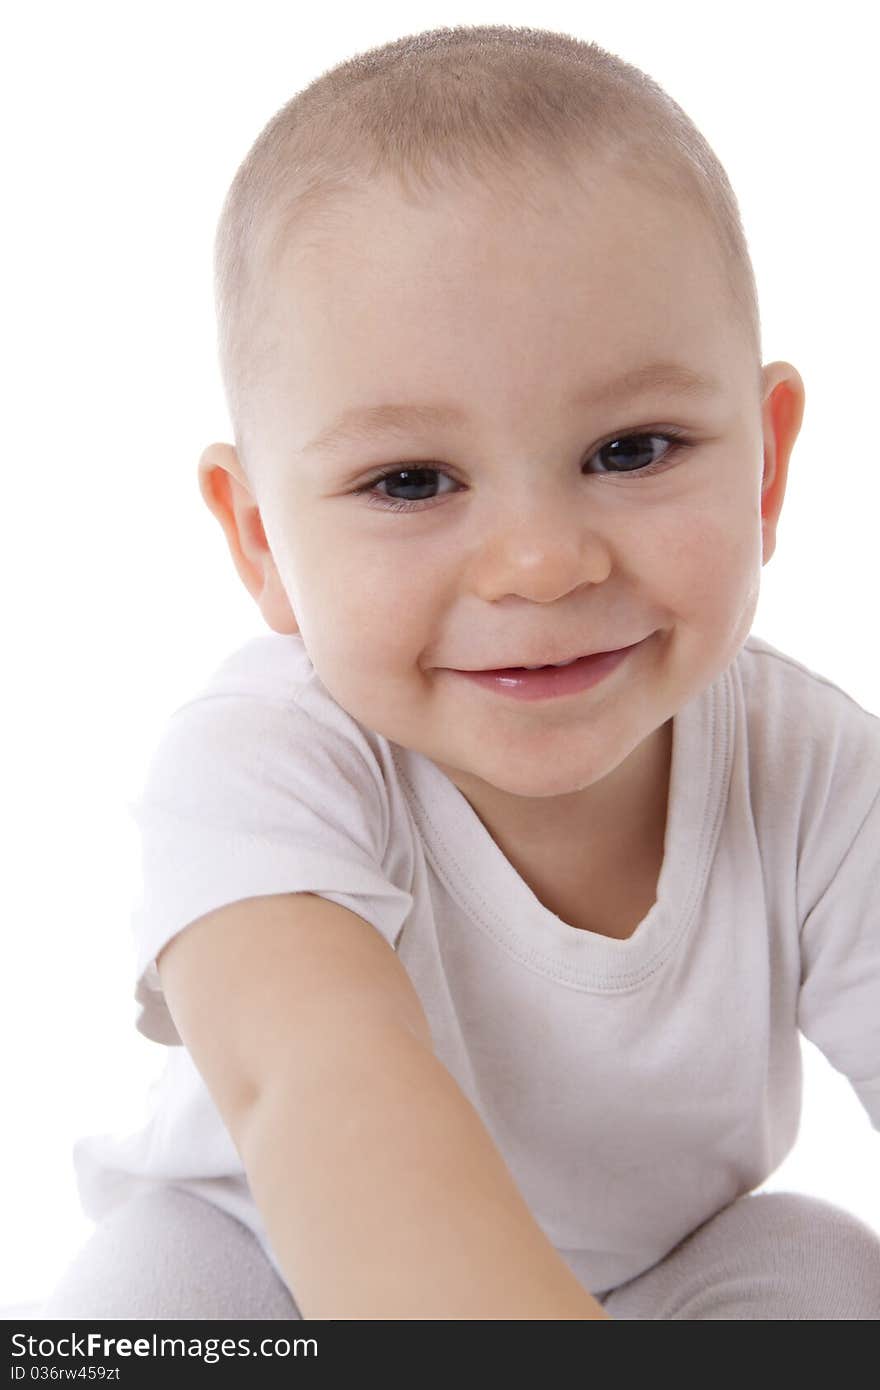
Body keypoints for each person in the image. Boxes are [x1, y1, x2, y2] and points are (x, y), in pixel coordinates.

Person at [43, 23, 880, 1320]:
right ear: (262, 539)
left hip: (657, 1278)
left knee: (822, 1261)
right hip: (273, 1265)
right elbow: (322, 1090)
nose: (542, 563)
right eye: (411, 481)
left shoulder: (816, 770)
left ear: (765, 467)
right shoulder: (256, 770)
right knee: (134, 1302)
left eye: (634, 446)